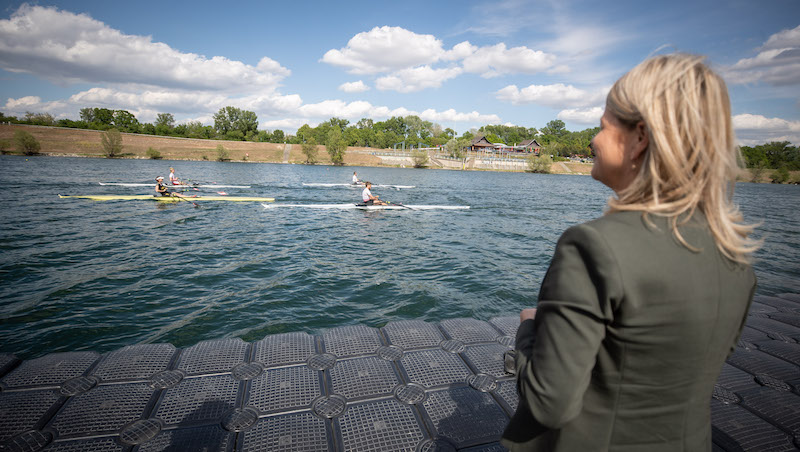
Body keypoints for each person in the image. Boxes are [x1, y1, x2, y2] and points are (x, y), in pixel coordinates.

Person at [501, 54, 759, 451]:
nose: (593, 140)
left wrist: (529, 329)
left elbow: (547, 403)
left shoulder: (591, 246)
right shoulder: (735, 251)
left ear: (639, 137)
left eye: (603, 127)